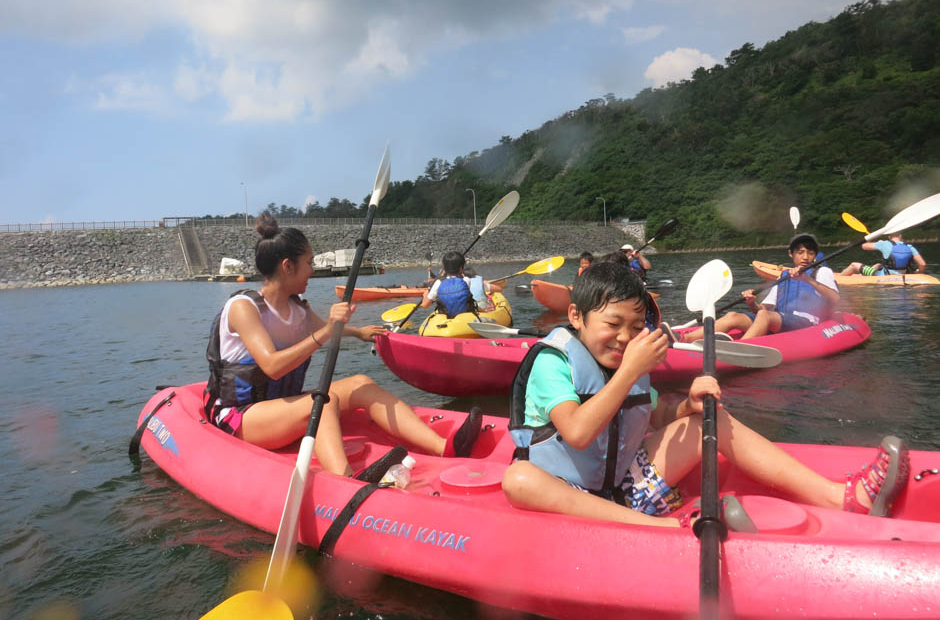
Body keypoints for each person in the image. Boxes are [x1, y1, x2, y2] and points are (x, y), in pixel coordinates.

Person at [501, 261, 909, 529]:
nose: (625, 337)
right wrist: (629, 370)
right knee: (518, 478)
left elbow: (655, 417)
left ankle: (839, 497)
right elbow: (576, 433)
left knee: (704, 422)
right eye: (612, 323)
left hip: (628, 487)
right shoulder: (553, 363)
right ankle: (662, 527)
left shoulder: (628, 361)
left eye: (635, 325)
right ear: (577, 316)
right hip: (569, 493)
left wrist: (687, 406)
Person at [204, 213, 482, 476]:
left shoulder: (297, 309)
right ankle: (345, 479)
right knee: (321, 402)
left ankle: (444, 447)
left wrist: (358, 332)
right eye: (309, 263)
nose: (312, 271)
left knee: (361, 383)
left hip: (278, 407)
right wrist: (326, 332)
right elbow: (273, 366)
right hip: (241, 417)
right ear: (288, 266)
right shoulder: (244, 308)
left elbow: (328, 329)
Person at [672, 233, 840, 343]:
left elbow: (835, 299)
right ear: (791, 254)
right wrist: (752, 303)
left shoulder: (821, 272)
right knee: (732, 316)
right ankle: (683, 338)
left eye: (810, 253)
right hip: (780, 321)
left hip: (806, 324)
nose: (805, 257)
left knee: (764, 316)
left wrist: (808, 280)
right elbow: (763, 309)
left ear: (815, 255)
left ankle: (740, 347)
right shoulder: (783, 276)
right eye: (800, 252)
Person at [421, 250, 503, 318]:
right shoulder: (466, 280)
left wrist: (425, 295)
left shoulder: (438, 283)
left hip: (446, 316)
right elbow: (458, 286)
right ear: (462, 268)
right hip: (466, 315)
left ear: (444, 269)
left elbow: (425, 305)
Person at [840, 232, 927, 276]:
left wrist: (876, 241)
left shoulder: (885, 243)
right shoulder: (909, 246)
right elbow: (922, 264)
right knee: (878, 264)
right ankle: (861, 275)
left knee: (854, 265)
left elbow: (864, 246)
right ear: (900, 236)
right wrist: (919, 273)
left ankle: (840, 278)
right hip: (903, 274)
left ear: (889, 237)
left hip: (883, 276)